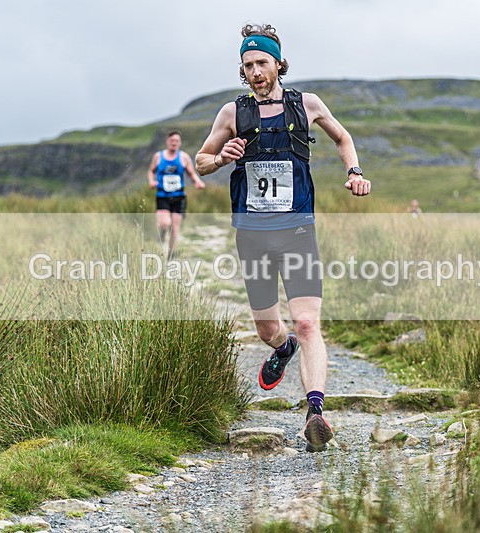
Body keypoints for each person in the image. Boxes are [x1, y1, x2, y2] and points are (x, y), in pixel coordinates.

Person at [195, 23, 370, 452]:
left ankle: (315, 412)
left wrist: (354, 171)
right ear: (243, 70)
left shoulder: (306, 104)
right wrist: (220, 158)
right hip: (252, 234)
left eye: (262, 62)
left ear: (278, 63)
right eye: (248, 65)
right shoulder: (231, 114)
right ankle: (283, 347)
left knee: (308, 321)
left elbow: (342, 137)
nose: (255, 71)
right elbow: (199, 162)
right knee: (268, 328)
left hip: (297, 230)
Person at [148, 130, 206, 259]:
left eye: (177, 141)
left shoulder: (184, 157)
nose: (174, 143)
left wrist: (198, 182)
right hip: (162, 195)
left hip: (179, 197)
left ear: (180, 143)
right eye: (172, 141)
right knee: (164, 223)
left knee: (175, 227)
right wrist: (151, 181)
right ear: (167, 142)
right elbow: (151, 171)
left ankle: (171, 255)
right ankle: (162, 234)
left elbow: (191, 173)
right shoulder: (158, 156)